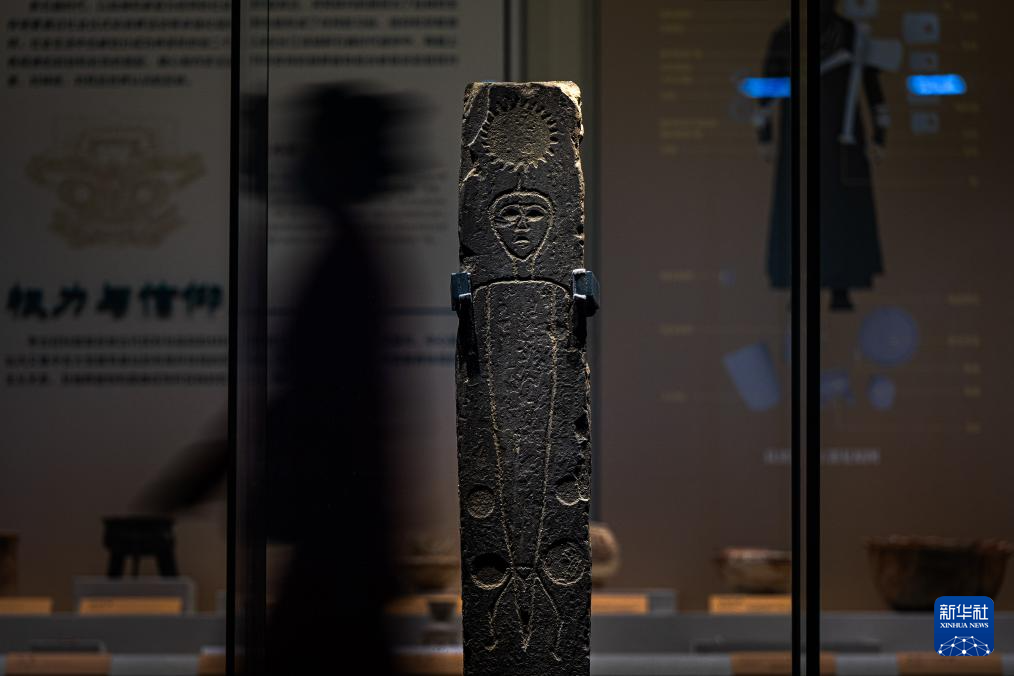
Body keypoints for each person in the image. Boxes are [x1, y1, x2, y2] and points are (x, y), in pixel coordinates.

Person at [758, 0, 888, 311]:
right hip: (800, 139)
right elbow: (769, 88)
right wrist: (764, 134)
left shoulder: (851, 34)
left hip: (841, 139)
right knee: (798, 209)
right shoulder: (786, 35)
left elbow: (871, 84)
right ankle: (797, 284)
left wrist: (880, 134)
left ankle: (841, 285)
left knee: (842, 210)